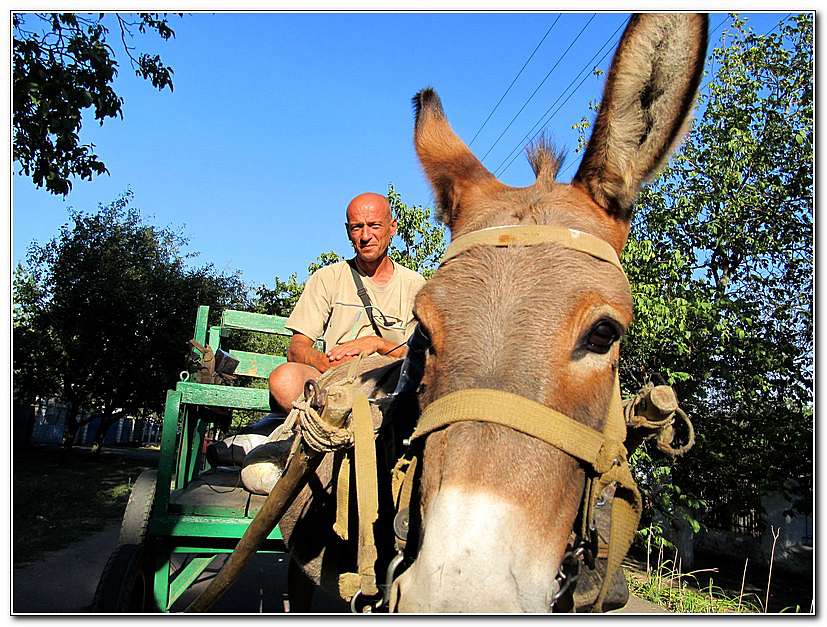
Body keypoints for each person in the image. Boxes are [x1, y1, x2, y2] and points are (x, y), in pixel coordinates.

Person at [268, 192, 426, 413]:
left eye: (374, 226)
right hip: (335, 381)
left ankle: (358, 421)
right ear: (348, 232)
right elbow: (296, 349)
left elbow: (420, 357)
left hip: (390, 383)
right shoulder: (327, 278)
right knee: (283, 379)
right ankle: (331, 424)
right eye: (357, 227)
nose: (365, 236)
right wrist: (325, 363)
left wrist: (376, 344)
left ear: (392, 228)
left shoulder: (415, 285)